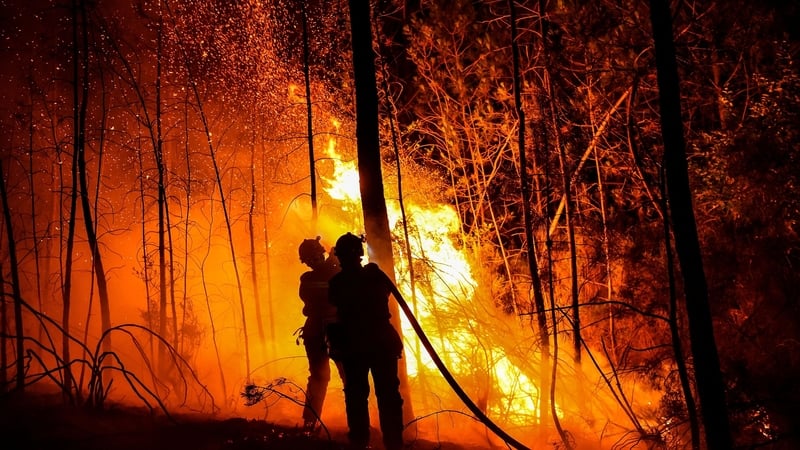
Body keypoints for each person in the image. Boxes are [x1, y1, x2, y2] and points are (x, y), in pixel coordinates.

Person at [327, 232, 405, 450]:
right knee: (387, 394)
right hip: (380, 342)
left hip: (354, 345)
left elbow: (334, 312)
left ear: (339, 256)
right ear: (360, 254)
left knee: (356, 396)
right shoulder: (375, 277)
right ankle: (394, 443)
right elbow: (384, 295)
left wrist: (335, 345)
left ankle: (360, 443)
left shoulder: (337, 283)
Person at [297, 236, 343, 433]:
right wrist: (334, 261)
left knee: (348, 376)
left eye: (316, 257)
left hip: (337, 332)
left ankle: (357, 426)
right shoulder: (307, 279)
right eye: (310, 259)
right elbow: (322, 285)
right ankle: (309, 424)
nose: (313, 261)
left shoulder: (337, 271)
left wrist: (335, 262)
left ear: (321, 253)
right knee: (318, 377)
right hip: (317, 333)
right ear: (306, 262)